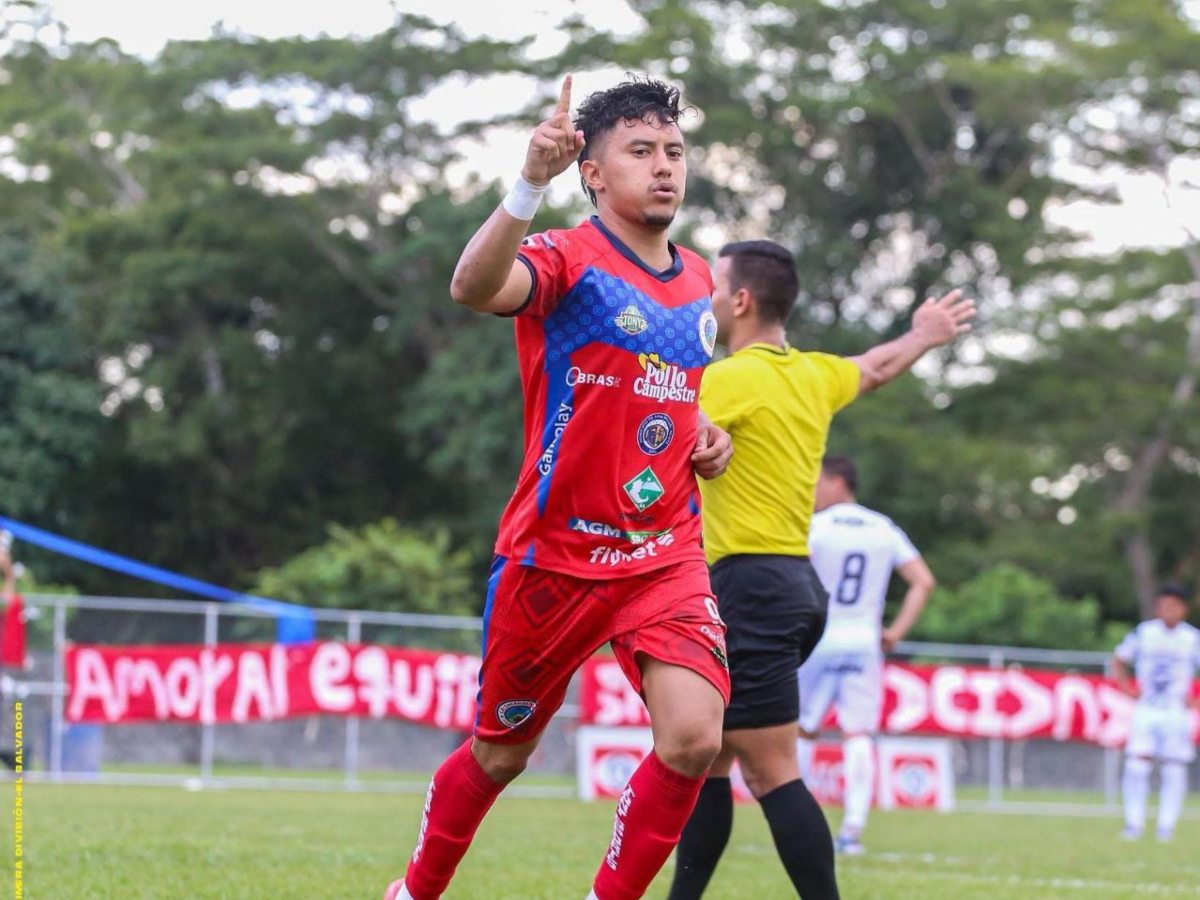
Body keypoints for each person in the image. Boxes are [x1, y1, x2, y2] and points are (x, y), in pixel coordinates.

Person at [384, 75, 735, 900]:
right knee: (500, 755)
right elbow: (472, 288)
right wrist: (527, 182)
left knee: (693, 739)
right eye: (640, 152)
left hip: (662, 556)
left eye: (674, 152)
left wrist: (703, 437)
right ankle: (415, 890)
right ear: (594, 175)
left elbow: (670, 399)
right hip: (555, 557)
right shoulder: (567, 256)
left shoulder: (697, 286)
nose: (664, 169)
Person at [668, 240, 974, 899]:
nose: (707, 297)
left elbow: (657, 429)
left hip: (752, 587)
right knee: (712, 761)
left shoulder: (724, 381)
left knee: (772, 770)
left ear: (741, 301)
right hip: (791, 588)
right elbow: (876, 368)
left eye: (714, 286)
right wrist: (922, 335)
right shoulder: (811, 374)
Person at [796, 455, 937, 856]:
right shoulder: (882, 527)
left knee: (804, 729)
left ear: (838, 481)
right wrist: (894, 632)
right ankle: (852, 829)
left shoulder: (815, 526)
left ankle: (801, 826)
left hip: (817, 639)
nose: (813, 490)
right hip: (864, 642)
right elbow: (923, 582)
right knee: (858, 734)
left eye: (818, 481)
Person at [1112, 584, 1200, 842]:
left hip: (1176, 710)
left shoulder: (1192, 638)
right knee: (1137, 765)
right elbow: (1119, 659)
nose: (1168, 611)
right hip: (1147, 707)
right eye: (1163, 605)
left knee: (1174, 767)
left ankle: (1166, 826)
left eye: (1173, 606)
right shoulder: (1145, 632)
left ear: (1183, 609)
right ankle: (1134, 824)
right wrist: (1127, 688)